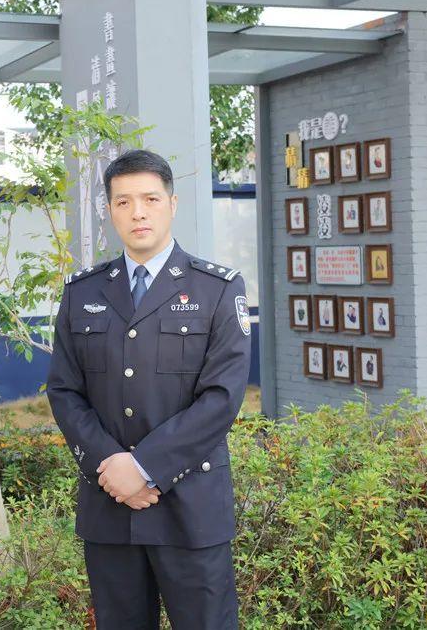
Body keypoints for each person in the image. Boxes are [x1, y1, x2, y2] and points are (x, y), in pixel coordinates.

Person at [47, 149, 251, 630]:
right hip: (110, 506)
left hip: (190, 508)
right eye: (123, 202)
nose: (137, 212)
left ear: (172, 204)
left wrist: (143, 467)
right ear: (110, 211)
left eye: (149, 199)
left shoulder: (216, 289)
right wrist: (111, 466)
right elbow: (64, 390)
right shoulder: (83, 292)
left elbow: (222, 398)